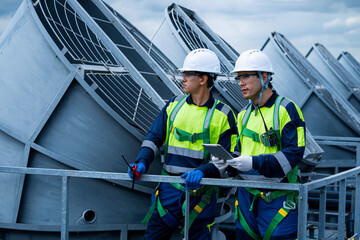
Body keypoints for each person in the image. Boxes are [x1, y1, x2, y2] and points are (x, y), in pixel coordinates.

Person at [128, 48, 237, 240]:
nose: (182, 78)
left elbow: (224, 158)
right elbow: (153, 137)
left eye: (187, 74)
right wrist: (142, 161)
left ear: (203, 79)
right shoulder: (173, 106)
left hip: (201, 194)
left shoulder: (223, 115)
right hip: (168, 191)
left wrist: (202, 172)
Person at [213, 49, 306, 239]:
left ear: (264, 77)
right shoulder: (243, 115)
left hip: (278, 200)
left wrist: (255, 162)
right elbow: (240, 154)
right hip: (247, 200)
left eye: (246, 76)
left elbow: (294, 154)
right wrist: (226, 164)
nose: (241, 83)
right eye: (239, 78)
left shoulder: (286, 109)